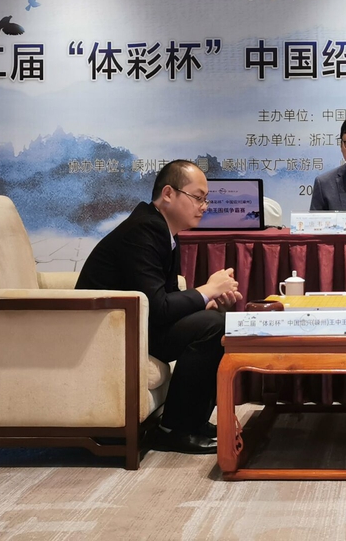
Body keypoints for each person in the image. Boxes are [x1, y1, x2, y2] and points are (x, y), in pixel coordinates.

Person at [76, 159, 242, 454]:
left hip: (135, 324)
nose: (204, 206)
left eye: (206, 199)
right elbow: (158, 306)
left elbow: (162, 299)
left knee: (216, 320)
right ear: (168, 193)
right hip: (108, 332)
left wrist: (207, 302)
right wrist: (206, 291)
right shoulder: (143, 230)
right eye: (198, 197)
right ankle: (174, 430)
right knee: (213, 326)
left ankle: (192, 422)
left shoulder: (163, 231)